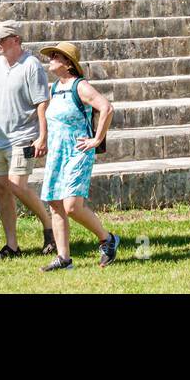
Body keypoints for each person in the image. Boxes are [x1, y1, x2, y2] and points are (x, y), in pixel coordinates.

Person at [0, 20, 55, 258]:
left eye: (2, 39)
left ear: (16, 40)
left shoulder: (31, 65)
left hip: (24, 136)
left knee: (17, 184)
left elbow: (42, 102)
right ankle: (12, 245)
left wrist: (42, 136)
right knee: (2, 188)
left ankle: (48, 224)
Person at [36, 41, 119, 270]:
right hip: (57, 153)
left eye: (55, 56)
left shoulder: (79, 86)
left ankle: (107, 239)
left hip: (78, 151)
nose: (50, 58)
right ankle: (64, 259)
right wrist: (43, 139)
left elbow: (106, 108)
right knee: (55, 203)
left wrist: (97, 139)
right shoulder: (55, 88)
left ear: (68, 63)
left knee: (72, 205)